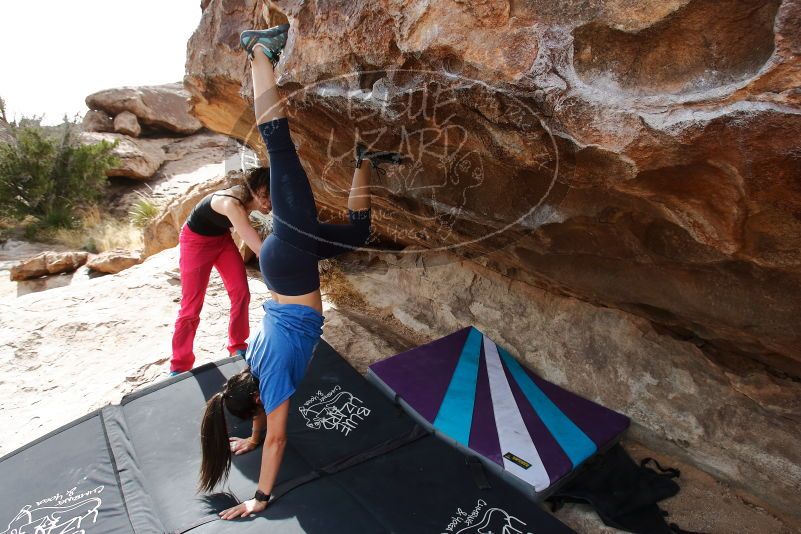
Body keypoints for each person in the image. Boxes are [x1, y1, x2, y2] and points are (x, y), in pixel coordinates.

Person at [197, 23, 404, 519]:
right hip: (286, 264)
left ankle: (259, 54)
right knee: (358, 231)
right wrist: (249, 436)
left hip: (289, 260)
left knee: (277, 141)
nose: (266, 415)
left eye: (258, 415)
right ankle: (363, 161)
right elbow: (264, 421)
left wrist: (260, 498)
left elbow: (279, 438)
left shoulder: (272, 385)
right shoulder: (254, 365)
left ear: (258, 400)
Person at [169, 168, 272, 375]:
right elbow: (258, 247)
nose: (272, 204)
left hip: (222, 241)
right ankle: (179, 365)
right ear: (260, 190)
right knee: (191, 306)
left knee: (241, 292)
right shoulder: (231, 203)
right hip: (195, 243)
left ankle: (238, 346)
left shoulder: (248, 198)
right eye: (270, 197)